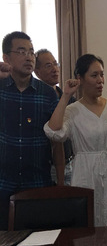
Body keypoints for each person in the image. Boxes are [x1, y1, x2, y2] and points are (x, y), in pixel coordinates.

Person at [44, 54, 107, 227]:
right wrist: (65, 95)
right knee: (88, 225)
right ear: (80, 78)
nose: (100, 80)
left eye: (102, 74)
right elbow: (54, 132)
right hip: (84, 175)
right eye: (94, 75)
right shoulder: (73, 110)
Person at [0, 32, 59, 230]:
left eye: (31, 52)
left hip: (37, 183)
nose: (29, 57)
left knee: (38, 242)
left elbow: (57, 140)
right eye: (22, 51)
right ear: (6, 58)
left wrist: (60, 181)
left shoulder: (48, 94)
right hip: (3, 183)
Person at [35, 48, 74, 186]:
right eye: (48, 65)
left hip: (71, 163)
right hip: (48, 166)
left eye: (56, 64)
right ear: (37, 72)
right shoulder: (36, 100)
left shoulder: (69, 98)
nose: (55, 69)